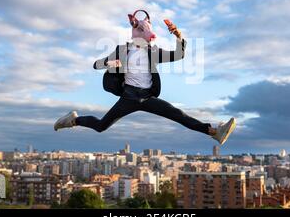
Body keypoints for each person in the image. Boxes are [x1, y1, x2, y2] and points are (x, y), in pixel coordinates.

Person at [54, 10, 236, 145]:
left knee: (180, 116)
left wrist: (178, 36)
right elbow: (96, 64)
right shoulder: (121, 50)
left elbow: (179, 55)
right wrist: (111, 64)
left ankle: (215, 132)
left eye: (148, 31)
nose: (150, 35)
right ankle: (73, 120)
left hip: (148, 98)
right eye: (143, 30)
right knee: (101, 126)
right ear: (134, 29)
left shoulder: (153, 52)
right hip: (128, 98)